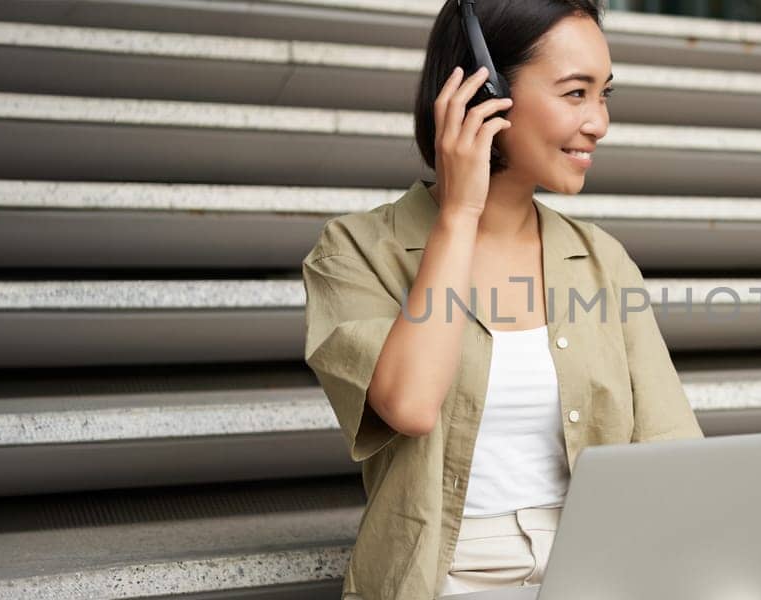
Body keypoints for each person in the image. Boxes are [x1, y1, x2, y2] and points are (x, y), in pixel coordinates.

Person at [300, 1, 704, 598]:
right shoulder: (355, 250)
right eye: (575, 94)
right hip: (447, 577)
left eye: (604, 95)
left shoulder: (602, 260)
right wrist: (459, 214)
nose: (599, 122)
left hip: (597, 572)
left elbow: (674, 449)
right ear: (482, 92)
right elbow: (409, 406)